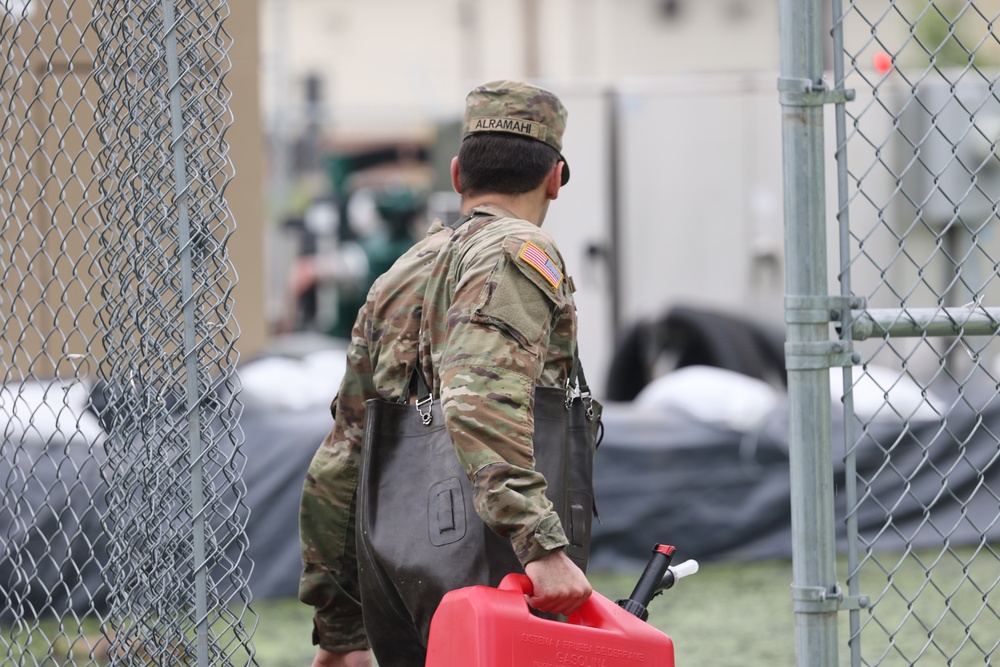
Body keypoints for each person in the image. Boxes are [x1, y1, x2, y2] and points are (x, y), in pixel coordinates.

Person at [298, 80, 593, 667]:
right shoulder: (521, 251)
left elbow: (339, 460)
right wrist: (538, 543)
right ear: (555, 178)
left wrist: (341, 629)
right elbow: (479, 394)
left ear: (458, 175)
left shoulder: (396, 276)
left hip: (398, 583)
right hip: (495, 578)